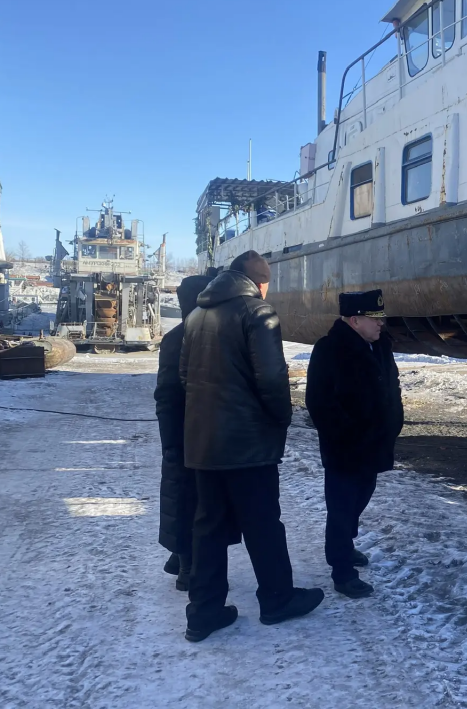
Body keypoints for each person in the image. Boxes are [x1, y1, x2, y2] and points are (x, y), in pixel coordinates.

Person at [179, 250, 323, 642]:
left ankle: (203, 613)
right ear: (261, 283)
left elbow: (185, 375)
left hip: (203, 442)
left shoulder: (196, 314)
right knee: (262, 523)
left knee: (208, 526)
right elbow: (272, 378)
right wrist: (281, 419)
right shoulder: (258, 312)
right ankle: (277, 599)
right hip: (246, 444)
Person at [306, 289, 404, 599]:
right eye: (375, 319)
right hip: (345, 448)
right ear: (354, 320)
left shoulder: (381, 346)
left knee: (361, 497)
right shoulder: (329, 349)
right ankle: (342, 571)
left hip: (375, 444)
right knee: (341, 508)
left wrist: (394, 421)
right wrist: (347, 435)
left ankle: (345, 545)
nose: (381, 323)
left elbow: (392, 386)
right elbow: (319, 402)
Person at [155, 274, 227, 591]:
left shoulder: (180, 335)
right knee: (189, 502)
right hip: (190, 435)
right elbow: (167, 396)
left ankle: (180, 558)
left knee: (186, 500)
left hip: (189, 433)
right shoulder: (186, 338)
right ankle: (188, 568)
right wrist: (172, 442)